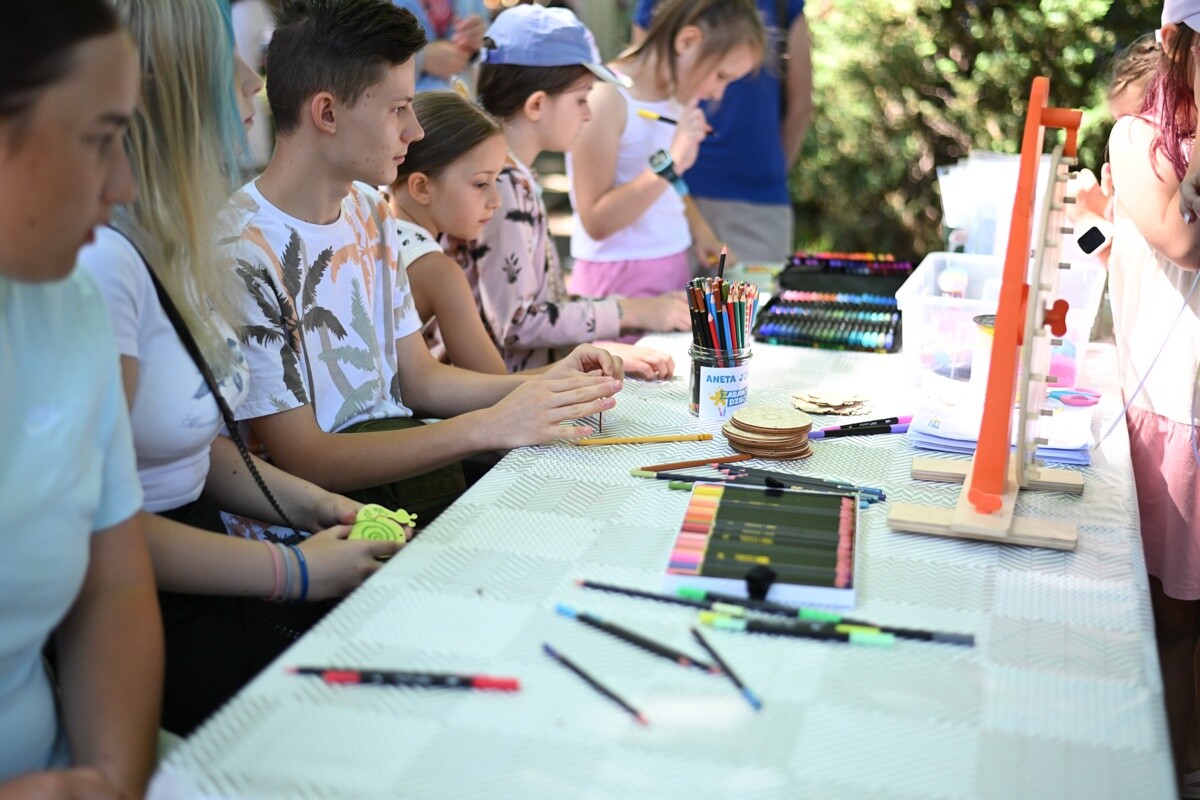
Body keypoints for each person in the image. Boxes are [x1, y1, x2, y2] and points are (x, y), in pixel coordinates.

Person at [78, 0, 406, 737]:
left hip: (210, 573)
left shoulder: (173, 236)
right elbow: (103, 528)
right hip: (153, 611)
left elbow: (190, 453)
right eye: (224, 58)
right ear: (166, 87)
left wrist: (318, 508)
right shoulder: (105, 261)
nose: (253, 81)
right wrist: (296, 572)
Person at [222, 0, 623, 533]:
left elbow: (419, 380)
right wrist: (489, 426)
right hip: (315, 540)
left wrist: (553, 381)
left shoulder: (369, 210)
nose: (414, 131)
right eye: (399, 109)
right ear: (327, 113)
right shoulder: (241, 248)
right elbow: (308, 458)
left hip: (397, 502)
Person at [0, 1, 162, 796]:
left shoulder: (70, 305)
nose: (121, 184)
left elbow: (114, 583)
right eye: (101, 139)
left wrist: (110, 779)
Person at [406, 8, 687, 377]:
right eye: (582, 98)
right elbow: (517, 321)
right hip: (501, 393)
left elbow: (537, 301)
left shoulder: (510, 177)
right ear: (537, 104)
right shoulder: (504, 184)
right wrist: (631, 312)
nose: (588, 114)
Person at [1109, 1, 1200, 790]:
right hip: (1179, 417)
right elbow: (1185, 239)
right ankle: (1174, 775)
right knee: (1172, 622)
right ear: (1177, 45)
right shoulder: (1140, 140)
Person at [567, 0, 766, 302]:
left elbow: (670, 185)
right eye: (721, 76)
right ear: (687, 41)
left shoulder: (678, 97)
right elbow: (596, 222)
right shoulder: (605, 97)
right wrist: (673, 160)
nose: (718, 93)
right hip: (614, 280)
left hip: (671, 267)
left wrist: (700, 230)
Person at [633, 0, 812, 267]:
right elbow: (643, 90)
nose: (717, 94)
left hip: (755, 204)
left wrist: (767, 174)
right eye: (720, 76)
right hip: (668, 197)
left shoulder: (784, 6)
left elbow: (801, 104)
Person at [392, 0, 487, 93]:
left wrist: (478, 38)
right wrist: (420, 58)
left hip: (463, 92)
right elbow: (383, 51)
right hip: (411, 97)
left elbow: (484, 28)